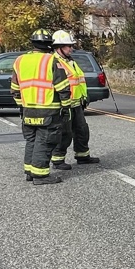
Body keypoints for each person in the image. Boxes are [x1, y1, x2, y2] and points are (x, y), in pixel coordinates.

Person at [14, 30, 71, 185]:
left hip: (28, 110)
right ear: (49, 44)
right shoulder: (52, 60)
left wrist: (21, 106)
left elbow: (15, 88)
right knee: (45, 141)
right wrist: (66, 108)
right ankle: (40, 175)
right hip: (48, 110)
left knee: (31, 140)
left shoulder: (20, 61)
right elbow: (63, 87)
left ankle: (29, 171)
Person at [50, 30, 99, 169]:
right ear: (59, 47)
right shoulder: (54, 62)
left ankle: (82, 156)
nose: (71, 48)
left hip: (76, 103)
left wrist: (84, 96)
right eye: (68, 46)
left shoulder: (70, 61)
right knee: (65, 133)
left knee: (82, 130)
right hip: (64, 104)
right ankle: (58, 160)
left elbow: (78, 80)